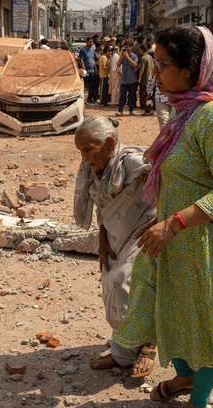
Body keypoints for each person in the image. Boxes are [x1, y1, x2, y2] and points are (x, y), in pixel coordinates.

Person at [114, 24, 213, 408]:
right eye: (156, 63)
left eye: (163, 65)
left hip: (203, 241)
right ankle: (184, 376)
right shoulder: (185, 110)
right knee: (170, 311)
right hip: (172, 236)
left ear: (192, 67)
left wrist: (175, 222)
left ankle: (198, 404)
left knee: (202, 317)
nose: (156, 72)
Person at [73, 116, 158, 379]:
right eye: (80, 151)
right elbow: (102, 207)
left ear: (109, 143)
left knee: (126, 283)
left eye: (88, 149)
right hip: (114, 237)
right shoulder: (93, 169)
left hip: (142, 234)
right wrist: (102, 239)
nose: (85, 157)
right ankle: (123, 353)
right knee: (110, 286)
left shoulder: (133, 163)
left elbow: (162, 187)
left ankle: (149, 343)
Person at [117, 41, 139, 116]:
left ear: (131, 47)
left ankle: (131, 110)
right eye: (125, 47)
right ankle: (120, 111)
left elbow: (135, 65)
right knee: (122, 96)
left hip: (132, 80)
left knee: (132, 96)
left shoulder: (134, 56)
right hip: (124, 80)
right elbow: (118, 64)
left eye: (128, 47)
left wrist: (127, 57)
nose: (126, 48)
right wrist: (122, 57)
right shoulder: (122, 55)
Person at [79, 37, 100, 103]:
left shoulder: (92, 49)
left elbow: (95, 58)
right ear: (86, 42)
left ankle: (91, 98)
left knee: (93, 86)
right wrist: (84, 69)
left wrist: (96, 68)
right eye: (90, 42)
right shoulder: (83, 50)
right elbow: (81, 60)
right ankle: (88, 99)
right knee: (88, 86)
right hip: (87, 71)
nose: (91, 43)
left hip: (93, 70)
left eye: (92, 42)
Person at [137, 44, 154, 115]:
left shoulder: (143, 58)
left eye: (139, 50)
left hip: (145, 80)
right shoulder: (150, 57)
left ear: (142, 49)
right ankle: (149, 109)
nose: (139, 51)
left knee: (143, 95)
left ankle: (146, 110)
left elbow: (142, 69)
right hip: (150, 79)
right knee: (148, 95)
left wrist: (139, 78)